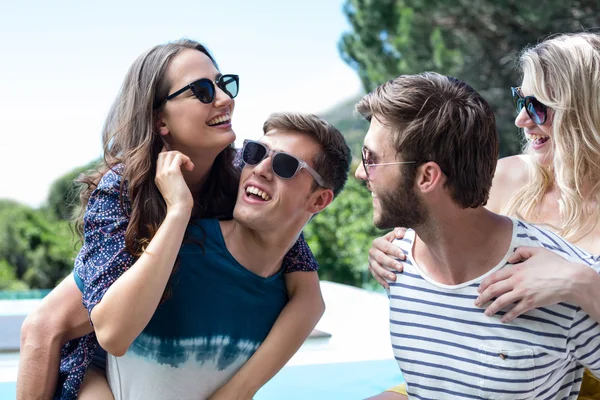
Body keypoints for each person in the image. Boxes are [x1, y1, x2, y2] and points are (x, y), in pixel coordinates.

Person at [16, 39, 345, 400]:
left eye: (223, 84)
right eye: (202, 91)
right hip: (95, 363)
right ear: (160, 120)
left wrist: (237, 392)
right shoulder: (124, 190)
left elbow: (307, 291)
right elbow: (73, 327)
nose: (223, 98)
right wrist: (178, 210)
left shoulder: (242, 178)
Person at [367, 32, 600, 399]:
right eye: (520, 99)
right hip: (485, 371)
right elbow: (439, 217)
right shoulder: (504, 176)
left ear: (586, 110)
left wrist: (582, 282)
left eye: (538, 106)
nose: (522, 119)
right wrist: (394, 246)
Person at [101, 112, 351, 399]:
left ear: (319, 200)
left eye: (286, 165)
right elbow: (87, 339)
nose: (260, 169)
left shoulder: (294, 298)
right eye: (255, 153)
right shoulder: (171, 244)